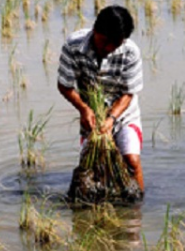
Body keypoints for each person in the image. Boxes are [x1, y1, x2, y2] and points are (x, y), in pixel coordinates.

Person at [57, 5, 144, 193]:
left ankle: (138, 209)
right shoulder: (73, 46)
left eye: (116, 44)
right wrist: (83, 108)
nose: (109, 49)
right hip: (92, 117)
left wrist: (112, 118)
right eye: (105, 42)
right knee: (90, 168)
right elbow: (64, 85)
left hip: (123, 114)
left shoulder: (131, 52)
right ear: (95, 30)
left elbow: (129, 93)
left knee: (131, 160)